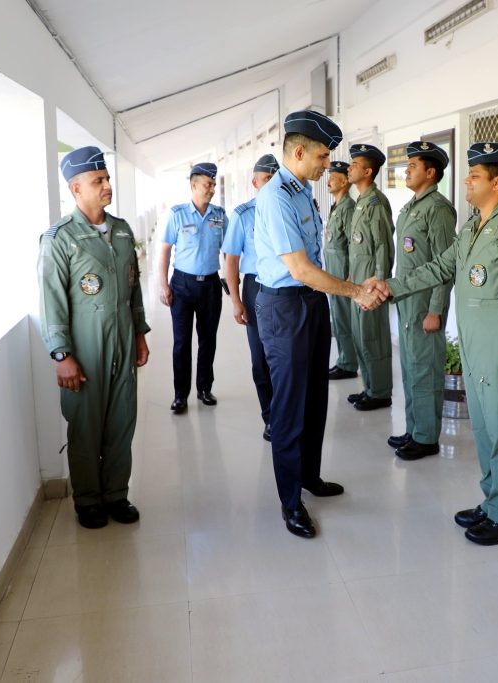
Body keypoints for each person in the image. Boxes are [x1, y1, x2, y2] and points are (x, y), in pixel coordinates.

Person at [366, 142, 498, 546]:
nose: (466, 181)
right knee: (484, 427)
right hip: (475, 343)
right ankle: (494, 500)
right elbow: (439, 267)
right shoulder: (471, 225)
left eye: (475, 175)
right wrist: (390, 286)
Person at [254, 110, 383, 539]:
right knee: (290, 409)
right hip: (286, 307)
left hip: (310, 306)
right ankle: (291, 502)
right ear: (298, 151)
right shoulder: (275, 196)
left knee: (314, 402)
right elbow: (301, 269)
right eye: (324, 156)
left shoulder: (302, 191)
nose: (328, 164)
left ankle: (310, 476)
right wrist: (354, 291)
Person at [38, 146, 150, 529]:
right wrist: (61, 354)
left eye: (106, 179)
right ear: (75, 188)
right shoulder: (59, 238)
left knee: (122, 420)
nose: (106, 186)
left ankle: (116, 494)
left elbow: (133, 288)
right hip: (84, 347)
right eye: (97, 181)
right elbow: (51, 300)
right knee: (85, 425)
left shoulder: (121, 230)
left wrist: (139, 333)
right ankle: (88, 500)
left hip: (122, 338)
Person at [389, 141, 458, 460]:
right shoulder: (412, 205)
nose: (407, 170)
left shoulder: (439, 209)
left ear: (431, 173)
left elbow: (446, 264)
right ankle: (414, 428)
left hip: (424, 303)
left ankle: (427, 437)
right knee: (410, 368)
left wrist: (436, 311)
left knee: (425, 369)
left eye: (413, 166)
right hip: (407, 299)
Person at [159, 162, 227, 413]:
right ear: (193, 185)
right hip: (182, 286)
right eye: (207, 185)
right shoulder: (177, 214)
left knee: (208, 340)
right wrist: (163, 284)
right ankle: (180, 395)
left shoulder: (220, 215)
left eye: (213, 185)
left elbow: (230, 251)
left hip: (210, 285)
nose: (211, 189)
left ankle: (204, 388)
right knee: (182, 342)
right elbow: (165, 251)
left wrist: (234, 282)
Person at [222, 154, 279, 441]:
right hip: (256, 287)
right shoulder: (243, 214)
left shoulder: (286, 209)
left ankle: (286, 416)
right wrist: (235, 300)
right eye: (265, 179)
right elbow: (231, 260)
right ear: (254, 182)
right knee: (261, 358)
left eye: (274, 178)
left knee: (284, 357)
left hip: (284, 288)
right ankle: (270, 417)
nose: (270, 184)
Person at [345, 143, 394, 411]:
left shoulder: (376, 203)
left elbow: (383, 246)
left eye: (354, 165)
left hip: (371, 285)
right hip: (359, 283)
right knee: (361, 336)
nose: (349, 168)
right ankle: (369, 387)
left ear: (368, 171)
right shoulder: (362, 202)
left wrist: (380, 284)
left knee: (373, 337)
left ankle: (380, 392)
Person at [322, 161, 359, 381]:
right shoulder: (337, 205)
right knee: (338, 317)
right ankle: (344, 359)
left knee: (344, 318)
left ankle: (348, 364)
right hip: (334, 271)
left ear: (344, 181)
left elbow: (355, 244)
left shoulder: (348, 207)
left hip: (343, 271)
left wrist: (352, 274)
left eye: (333, 177)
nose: (328, 181)